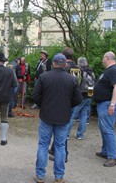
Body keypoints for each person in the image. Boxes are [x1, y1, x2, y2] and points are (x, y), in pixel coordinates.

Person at [32, 53, 82, 183]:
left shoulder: (44, 77)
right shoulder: (72, 79)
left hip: (46, 116)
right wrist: (67, 106)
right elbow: (78, 99)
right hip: (63, 117)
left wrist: (44, 105)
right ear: (65, 64)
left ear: (53, 63)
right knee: (60, 146)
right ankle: (59, 177)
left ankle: (40, 175)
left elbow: (35, 96)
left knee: (43, 145)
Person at [48, 47, 83, 162]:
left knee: (62, 130)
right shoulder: (78, 68)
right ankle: (54, 148)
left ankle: (64, 154)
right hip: (72, 101)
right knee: (63, 127)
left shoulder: (64, 68)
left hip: (61, 102)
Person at [93, 51, 116, 167]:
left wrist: (112, 104)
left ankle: (112, 157)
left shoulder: (114, 70)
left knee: (108, 129)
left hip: (108, 104)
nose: (102, 60)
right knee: (104, 128)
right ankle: (106, 151)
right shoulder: (110, 70)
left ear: (107, 58)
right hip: (104, 103)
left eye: (103, 58)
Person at [67, 57, 96, 140]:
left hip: (80, 96)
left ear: (79, 63)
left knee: (72, 115)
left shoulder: (79, 71)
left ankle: (67, 134)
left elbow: (76, 82)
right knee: (83, 115)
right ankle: (80, 134)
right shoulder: (91, 71)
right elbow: (93, 83)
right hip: (88, 96)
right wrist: (90, 95)